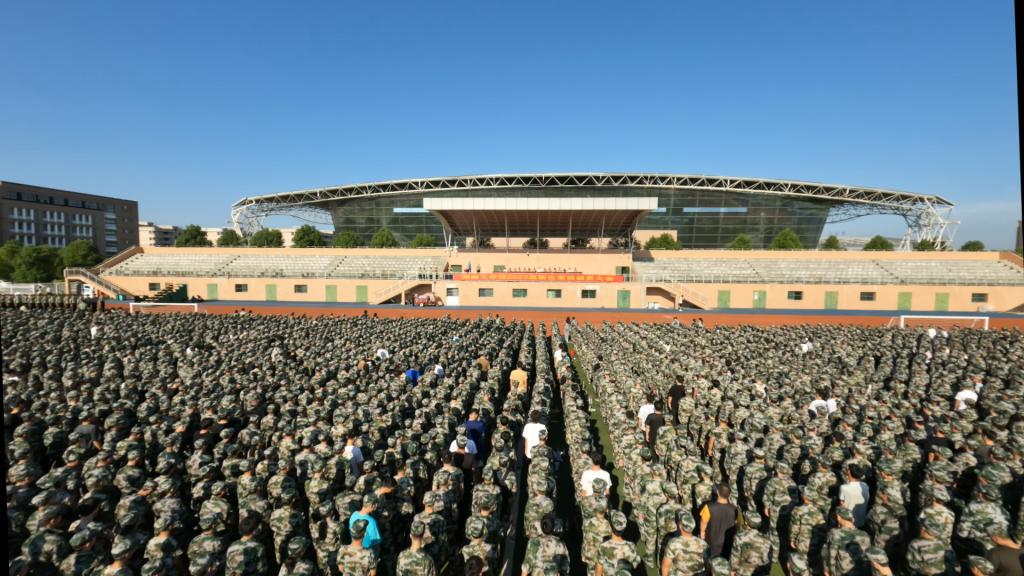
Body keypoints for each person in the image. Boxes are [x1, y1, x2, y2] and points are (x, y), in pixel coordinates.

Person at [699, 484, 739, 558]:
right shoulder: (735, 509)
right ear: (729, 494)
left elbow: (703, 522)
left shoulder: (709, 507)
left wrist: (702, 532)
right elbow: (736, 524)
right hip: (728, 543)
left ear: (717, 492)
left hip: (712, 543)